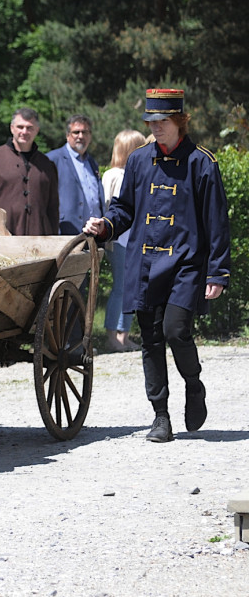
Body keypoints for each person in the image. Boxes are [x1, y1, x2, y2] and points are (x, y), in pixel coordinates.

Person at [83, 89, 231, 443]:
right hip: (145, 263)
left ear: (179, 122)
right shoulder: (137, 160)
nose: (155, 127)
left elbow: (217, 222)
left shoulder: (202, 162)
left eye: (162, 121)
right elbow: (124, 210)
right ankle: (160, 416)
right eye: (151, 121)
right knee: (150, 339)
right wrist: (106, 225)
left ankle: (193, 385)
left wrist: (218, 272)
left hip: (186, 262)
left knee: (177, 331)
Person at [0, 109, 58, 236]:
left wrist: (53, 237)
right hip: (1, 237)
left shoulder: (46, 165)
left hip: (39, 238)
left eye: (29, 128)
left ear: (37, 130)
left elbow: (53, 207)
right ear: (12, 128)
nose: (24, 132)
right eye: (20, 127)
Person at [101, 129, 147, 352]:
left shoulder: (122, 174)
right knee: (122, 287)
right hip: (120, 240)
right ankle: (113, 335)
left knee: (129, 288)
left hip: (130, 240)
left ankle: (123, 335)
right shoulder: (117, 176)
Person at [45, 115, 104, 235]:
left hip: (93, 234)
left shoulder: (92, 163)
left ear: (90, 135)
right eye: (76, 132)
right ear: (67, 135)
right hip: (65, 233)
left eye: (85, 132)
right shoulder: (53, 160)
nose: (80, 136)